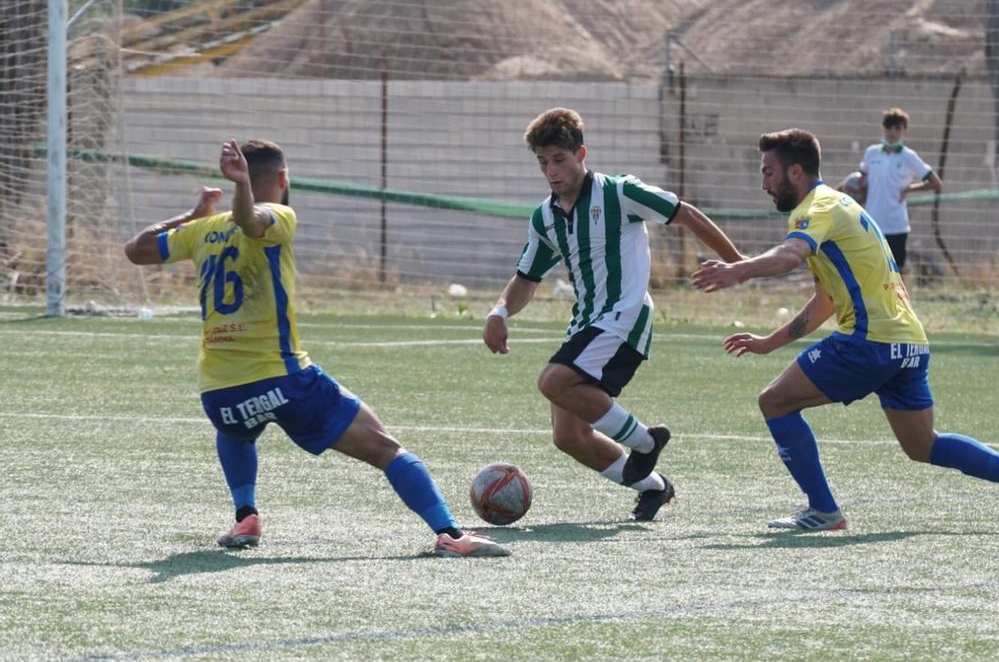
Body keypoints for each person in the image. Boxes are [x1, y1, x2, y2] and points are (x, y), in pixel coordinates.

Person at [124, 139, 509, 558]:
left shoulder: (202, 229)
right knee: (386, 448)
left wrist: (192, 215)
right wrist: (240, 188)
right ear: (284, 179)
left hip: (219, 394)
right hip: (285, 381)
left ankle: (246, 515)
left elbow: (137, 248)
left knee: (235, 429)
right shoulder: (281, 215)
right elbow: (251, 221)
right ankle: (450, 534)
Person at [690, 128, 999, 534]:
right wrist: (770, 342)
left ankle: (823, 511)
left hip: (868, 343)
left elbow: (790, 253)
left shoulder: (814, 209)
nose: (763, 183)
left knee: (775, 403)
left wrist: (739, 269)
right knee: (923, 445)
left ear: (796, 172)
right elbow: (828, 300)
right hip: (909, 343)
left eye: (768, 172)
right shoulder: (845, 206)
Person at [483, 107, 743, 521]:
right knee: (568, 436)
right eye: (543, 161)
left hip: (625, 318)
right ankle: (654, 487)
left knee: (552, 380)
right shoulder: (545, 217)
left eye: (560, 159)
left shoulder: (619, 193)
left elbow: (685, 213)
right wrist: (499, 312)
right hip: (586, 324)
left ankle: (646, 442)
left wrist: (736, 264)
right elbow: (526, 278)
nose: (551, 170)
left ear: (581, 153)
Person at [846, 107, 942, 271]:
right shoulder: (872, 153)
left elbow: (936, 183)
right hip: (872, 221)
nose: (892, 132)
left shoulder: (908, 156)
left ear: (905, 131)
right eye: (889, 127)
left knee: (896, 270)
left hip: (896, 224)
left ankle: (899, 297)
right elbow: (861, 180)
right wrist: (855, 191)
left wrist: (909, 188)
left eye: (897, 128)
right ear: (883, 129)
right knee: (869, 268)